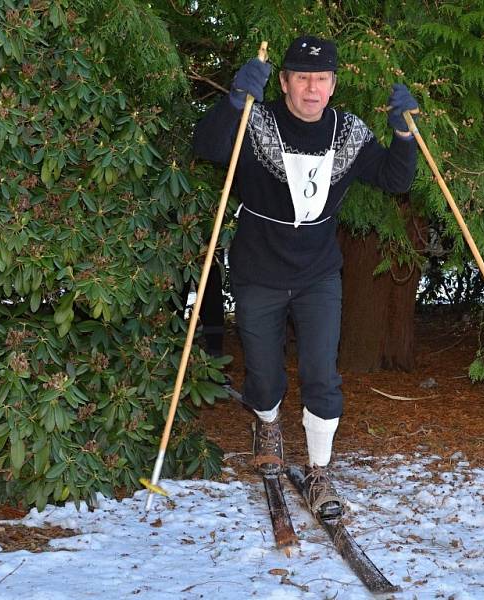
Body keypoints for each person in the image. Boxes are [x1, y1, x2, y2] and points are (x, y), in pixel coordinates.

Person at [191, 35, 418, 518]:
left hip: (318, 273)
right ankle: (267, 425)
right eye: (301, 78)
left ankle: (319, 471)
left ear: (333, 85)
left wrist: (403, 136)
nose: (311, 89)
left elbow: (396, 180)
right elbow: (207, 147)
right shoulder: (258, 122)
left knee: (321, 372)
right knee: (264, 372)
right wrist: (233, 102)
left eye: (321, 79)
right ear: (285, 81)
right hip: (259, 270)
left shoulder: (349, 131)